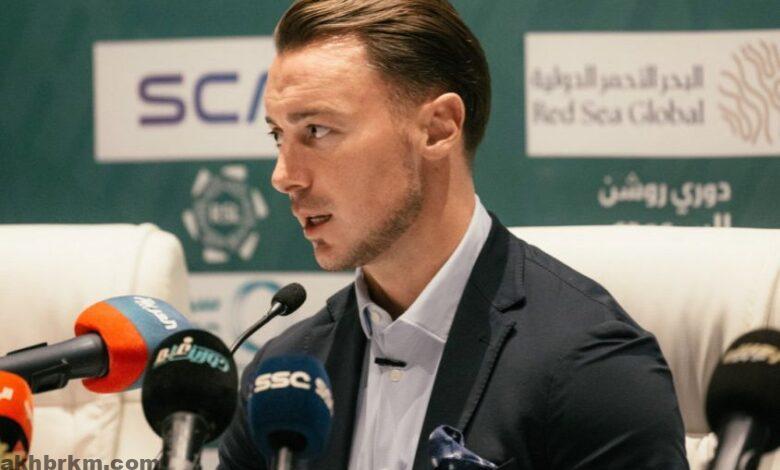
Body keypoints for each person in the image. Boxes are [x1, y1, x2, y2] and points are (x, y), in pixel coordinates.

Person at [218, 0, 688, 468]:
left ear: (438, 129)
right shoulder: (282, 379)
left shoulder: (593, 367)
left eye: (317, 130)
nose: (283, 176)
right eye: (278, 136)